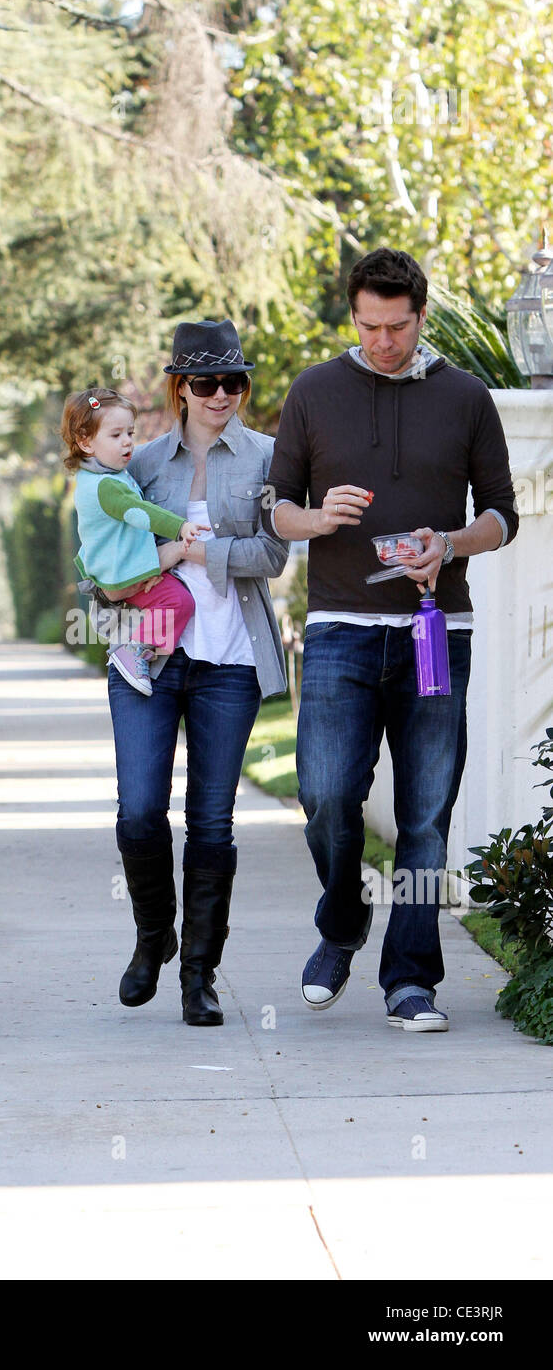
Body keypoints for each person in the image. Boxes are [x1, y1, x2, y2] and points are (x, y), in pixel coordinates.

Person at [263, 247, 518, 1032]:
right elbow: (276, 509)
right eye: (369, 326)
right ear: (353, 316)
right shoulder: (313, 391)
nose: (382, 341)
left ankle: (411, 980)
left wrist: (450, 542)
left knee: (426, 814)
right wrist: (317, 519)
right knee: (327, 796)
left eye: (397, 327)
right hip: (339, 629)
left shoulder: (468, 397)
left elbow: (502, 515)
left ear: (421, 315)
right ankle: (342, 925)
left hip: (436, 633)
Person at [107, 319, 289, 1025]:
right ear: (179, 386)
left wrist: (202, 553)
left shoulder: (272, 458)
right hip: (151, 656)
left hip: (231, 663)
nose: (223, 395)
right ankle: (153, 937)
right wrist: (164, 558)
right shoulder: (143, 462)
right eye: (207, 382)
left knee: (212, 821)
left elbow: (273, 557)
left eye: (234, 382)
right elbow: (106, 563)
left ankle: (199, 977)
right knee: (139, 814)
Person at [64, 387, 207, 695]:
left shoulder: (97, 477)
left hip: (118, 569)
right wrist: (179, 526)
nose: (128, 441)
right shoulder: (107, 487)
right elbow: (142, 513)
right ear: (85, 442)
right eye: (115, 435)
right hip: (124, 572)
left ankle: (135, 635)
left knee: (174, 571)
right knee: (178, 601)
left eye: (130, 432)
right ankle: (135, 650)